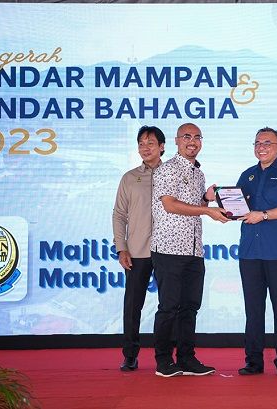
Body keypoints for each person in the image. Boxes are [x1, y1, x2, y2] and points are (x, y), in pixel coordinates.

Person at [150, 123, 229, 377]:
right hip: (169, 248)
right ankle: (163, 361)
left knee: (190, 307)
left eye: (197, 137)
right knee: (169, 307)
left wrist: (206, 199)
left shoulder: (198, 173)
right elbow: (170, 205)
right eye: (186, 136)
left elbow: (192, 205)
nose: (192, 141)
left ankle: (186, 358)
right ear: (176, 140)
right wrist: (207, 210)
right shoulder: (167, 169)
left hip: (194, 250)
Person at [236, 127, 277, 376]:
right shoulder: (247, 175)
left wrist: (263, 215)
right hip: (250, 252)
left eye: (267, 142)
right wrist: (216, 199)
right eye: (257, 143)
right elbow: (237, 207)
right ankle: (253, 362)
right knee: (253, 309)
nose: (261, 147)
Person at [112, 125, 165, 372]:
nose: (145, 148)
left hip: (168, 250)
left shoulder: (172, 174)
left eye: (150, 143)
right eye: (141, 144)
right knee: (133, 306)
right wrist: (121, 248)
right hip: (137, 251)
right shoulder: (129, 178)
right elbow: (119, 215)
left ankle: (165, 355)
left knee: (169, 306)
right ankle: (130, 355)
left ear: (162, 147)